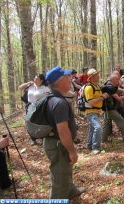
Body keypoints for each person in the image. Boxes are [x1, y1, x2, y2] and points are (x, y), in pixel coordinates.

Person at [38, 66, 85, 199]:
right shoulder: (58, 103)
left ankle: (71, 191)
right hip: (58, 145)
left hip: (54, 143)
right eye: (67, 77)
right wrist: (72, 152)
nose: (70, 79)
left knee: (64, 170)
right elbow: (63, 132)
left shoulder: (52, 98)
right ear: (59, 82)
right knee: (60, 179)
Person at [101, 71, 124, 143]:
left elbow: (120, 89)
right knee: (120, 120)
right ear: (113, 80)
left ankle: (103, 139)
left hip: (107, 108)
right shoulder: (109, 87)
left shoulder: (113, 86)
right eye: (117, 79)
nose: (119, 81)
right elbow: (119, 99)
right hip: (109, 108)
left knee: (106, 124)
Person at [81, 69, 106, 154]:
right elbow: (90, 102)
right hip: (90, 111)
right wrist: (101, 98)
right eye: (96, 75)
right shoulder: (88, 88)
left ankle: (90, 145)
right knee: (98, 127)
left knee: (92, 128)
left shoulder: (97, 86)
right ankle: (95, 148)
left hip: (97, 111)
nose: (98, 76)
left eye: (98, 74)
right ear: (91, 77)